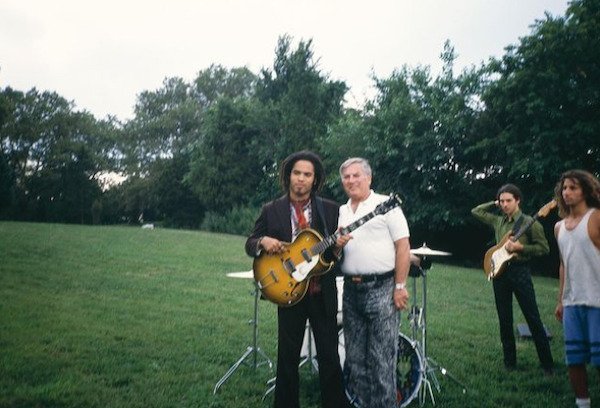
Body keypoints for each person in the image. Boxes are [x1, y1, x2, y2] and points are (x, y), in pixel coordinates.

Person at [245, 151, 347, 408]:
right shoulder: (271, 210)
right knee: (287, 357)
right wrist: (262, 241)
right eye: (297, 173)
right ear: (288, 175)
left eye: (307, 175)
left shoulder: (331, 210)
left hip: (321, 292)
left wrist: (336, 248)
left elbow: (335, 256)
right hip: (288, 291)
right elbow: (249, 244)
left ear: (316, 180)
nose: (301, 179)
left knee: (329, 355)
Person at [335, 157, 411, 408]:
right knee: (356, 361)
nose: (351, 181)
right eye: (346, 177)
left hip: (382, 289)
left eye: (356, 175)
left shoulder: (385, 205)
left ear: (369, 178)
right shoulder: (343, 210)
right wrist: (336, 247)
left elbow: (403, 246)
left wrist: (400, 286)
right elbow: (338, 254)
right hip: (351, 290)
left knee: (381, 360)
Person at [471, 184, 554, 374]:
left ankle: (547, 365)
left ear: (518, 200)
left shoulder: (530, 223)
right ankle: (510, 363)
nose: (505, 204)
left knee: (532, 317)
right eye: (502, 201)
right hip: (500, 273)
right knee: (504, 319)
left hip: (520, 272)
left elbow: (544, 249)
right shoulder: (498, 221)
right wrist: (493, 202)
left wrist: (521, 249)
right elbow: (476, 211)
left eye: (509, 200)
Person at [553, 170, 600, 408]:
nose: (567, 192)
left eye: (573, 187)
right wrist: (561, 299)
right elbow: (564, 264)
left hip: (597, 302)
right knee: (574, 359)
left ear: (586, 190)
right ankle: (583, 404)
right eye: (564, 188)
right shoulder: (559, 227)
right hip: (572, 303)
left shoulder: (596, 218)